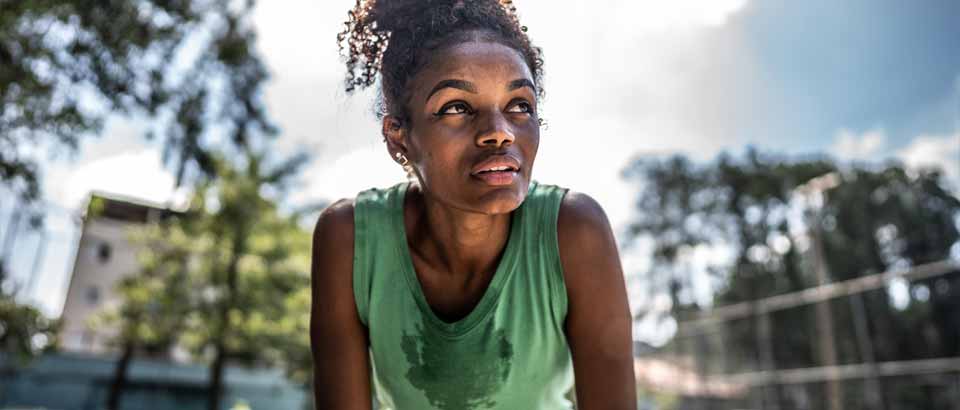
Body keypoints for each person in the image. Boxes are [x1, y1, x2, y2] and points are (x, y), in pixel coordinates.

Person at [310, 0, 636, 408]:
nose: (499, 133)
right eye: (457, 108)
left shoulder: (573, 231)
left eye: (520, 105)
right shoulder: (349, 239)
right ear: (398, 138)